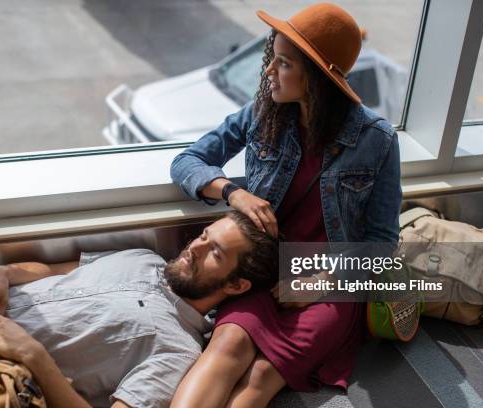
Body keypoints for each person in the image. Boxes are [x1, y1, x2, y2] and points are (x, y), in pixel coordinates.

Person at [170, 3, 402, 407]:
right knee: (227, 344)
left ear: (316, 76)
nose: (268, 73)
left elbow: (382, 242)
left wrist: (320, 284)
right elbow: (187, 161)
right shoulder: (263, 113)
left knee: (262, 373)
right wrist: (233, 192)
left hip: (332, 283)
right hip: (265, 271)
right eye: (271, 59)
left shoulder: (376, 139)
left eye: (283, 64)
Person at [0, 211, 278, 408]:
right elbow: (52, 270)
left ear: (236, 285)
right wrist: (2, 272)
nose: (195, 248)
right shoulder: (144, 257)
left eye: (215, 252)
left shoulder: (177, 351)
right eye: (204, 235)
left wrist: (33, 355)